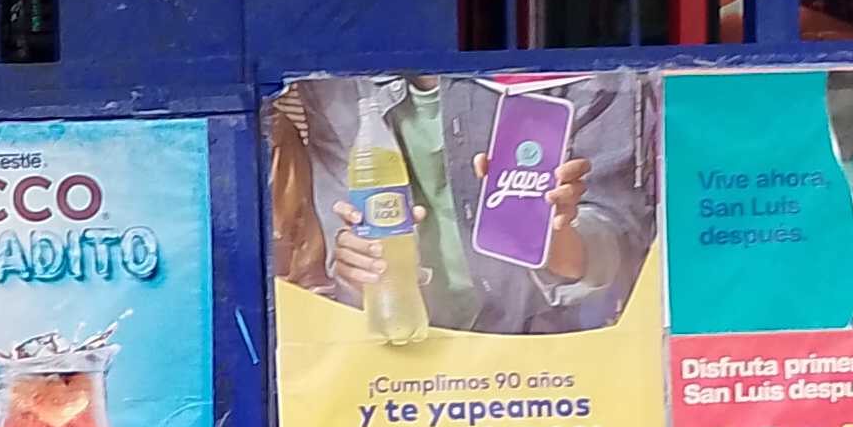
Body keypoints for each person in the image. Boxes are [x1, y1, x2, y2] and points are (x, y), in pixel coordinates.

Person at [271, 74, 655, 336]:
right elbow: (340, 256)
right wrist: (357, 269)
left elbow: (624, 253)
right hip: (406, 369)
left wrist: (554, 242)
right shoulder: (333, 81)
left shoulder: (575, 67)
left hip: (553, 366)